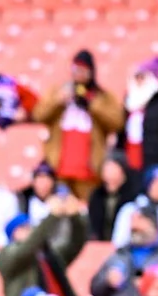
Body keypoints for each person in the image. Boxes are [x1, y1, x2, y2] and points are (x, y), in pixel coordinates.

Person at [31, 50, 123, 196]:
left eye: (83, 70)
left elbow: (117, 122)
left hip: (90, 168)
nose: (79, 74)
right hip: (59, 167)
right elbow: (39, 115)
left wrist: (91, 105)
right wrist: (58, 101)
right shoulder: (59, 91)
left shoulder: (102, 96)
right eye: (76, 69)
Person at [118, 56, 158, 197]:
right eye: (137, 77)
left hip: (155, 163)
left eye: (143, 77)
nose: (139, 81)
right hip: (132, 162)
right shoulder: (129, 104)